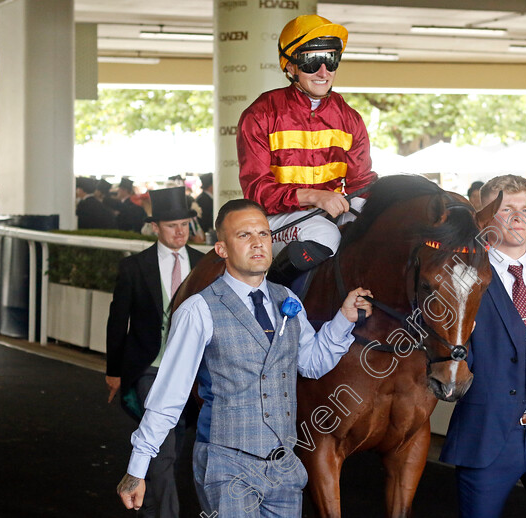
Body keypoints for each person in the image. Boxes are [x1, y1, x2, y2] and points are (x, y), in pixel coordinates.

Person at [116, 198, 372, 517]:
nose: (257, 243)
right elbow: (169, 396)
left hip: (284, 471)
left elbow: (312, 363)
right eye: (244, 236)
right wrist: (137, 469)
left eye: (263, 234)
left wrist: (343, 319)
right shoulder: (198, 310)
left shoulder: (287, 299)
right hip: (226, 469)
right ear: (221, 249)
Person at [440, 175, 526, 517]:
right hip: (487, 435)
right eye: (507, 209)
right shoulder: (463, 279)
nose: (519, 217)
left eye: (525, 208)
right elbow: (451, 360)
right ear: (485, 217)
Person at [237, 14, 377, 286]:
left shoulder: (350, 118)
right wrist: (316, 196)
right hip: (275, 220)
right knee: (325, 236)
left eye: (331, 60)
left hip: (331, 213)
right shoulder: (260, 113)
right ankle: (274, 298)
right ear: (290, 66)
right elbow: (257, 191)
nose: (323, 72)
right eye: (312, 62)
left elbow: (362, 183)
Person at [106, 186, 206, 518]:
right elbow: (118, 321)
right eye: (172, 225)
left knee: (172, 447)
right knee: (164, 450)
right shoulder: (135, 267)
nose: (180, 231)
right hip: (149, 367)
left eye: (185, 224)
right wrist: (114, 371)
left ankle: (149, 506)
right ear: (155, 227)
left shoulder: (205, 265)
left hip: (192, 370)